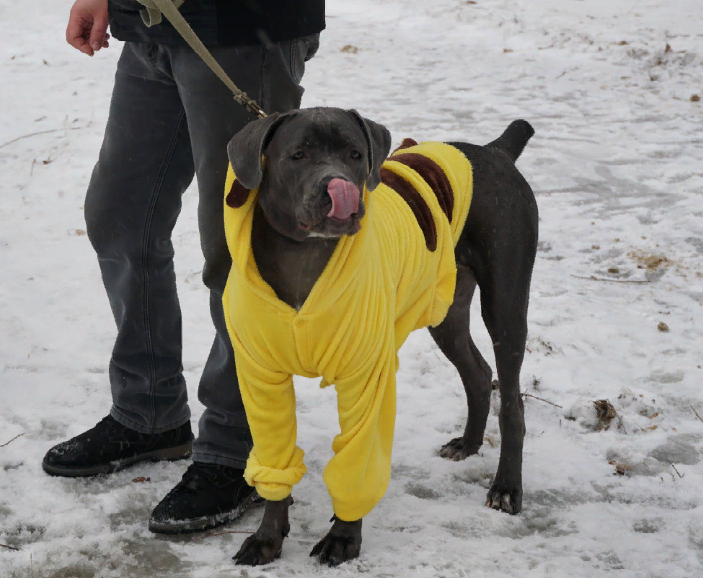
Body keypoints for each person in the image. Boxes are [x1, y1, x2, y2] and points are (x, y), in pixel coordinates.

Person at [42, 0, 324, 534]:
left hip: (242, 29)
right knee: (120, 215)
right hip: (152, 23)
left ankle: (237, 445)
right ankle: (149, 413)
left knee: (237, 246)